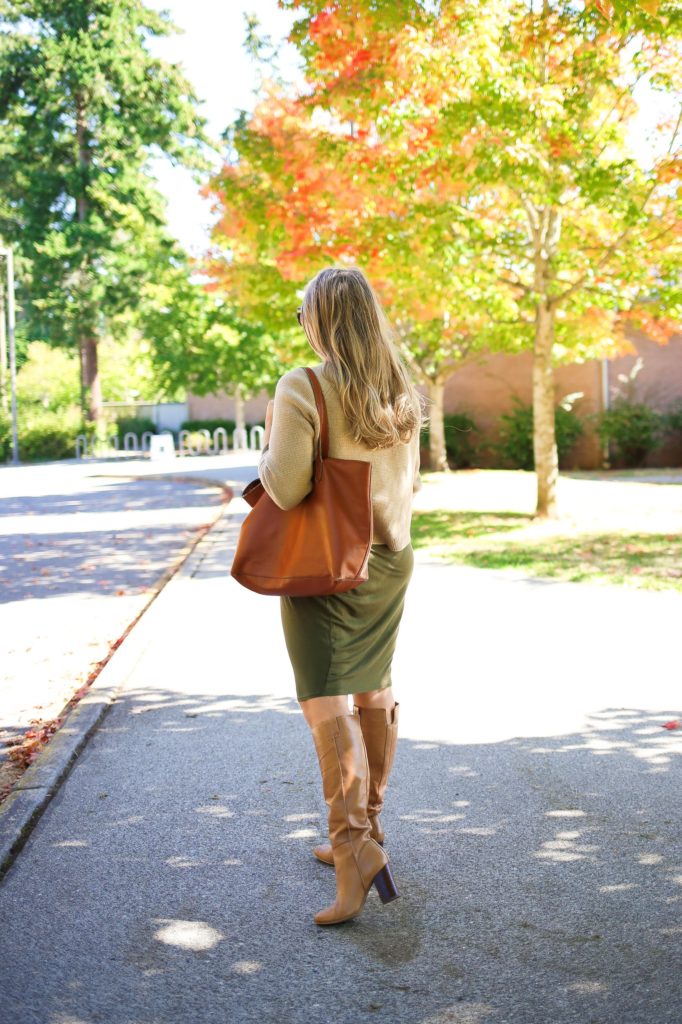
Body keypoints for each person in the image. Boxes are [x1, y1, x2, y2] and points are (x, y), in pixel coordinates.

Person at [258, 266, 423, 926]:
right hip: (391, 559)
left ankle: (354, 852)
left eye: (304, 315)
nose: (302, 327)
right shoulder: (399, 387)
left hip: (327, 567)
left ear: (320, 320)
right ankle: (368, 832)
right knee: (374, 689)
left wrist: (272, 437)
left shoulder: (302, 385)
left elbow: (286, 488)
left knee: (326, 700)